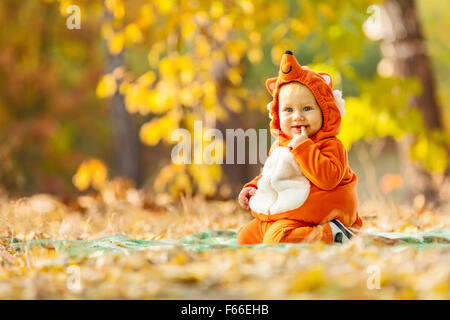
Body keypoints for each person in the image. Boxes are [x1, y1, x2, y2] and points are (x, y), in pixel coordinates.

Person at [237, 50, 362, 245]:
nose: (297, 116)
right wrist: (252, 187)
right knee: (245, 236)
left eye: (307, 108)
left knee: (278, 239)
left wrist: (304, 147)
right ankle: (304, 234)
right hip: (287, 214)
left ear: (325, 112)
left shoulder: (330, 145)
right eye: (288, 110)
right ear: (277, 114)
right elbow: (272, 174)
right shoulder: (281, 144)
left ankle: (334, 233)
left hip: (317, 216)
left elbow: (328, 179)